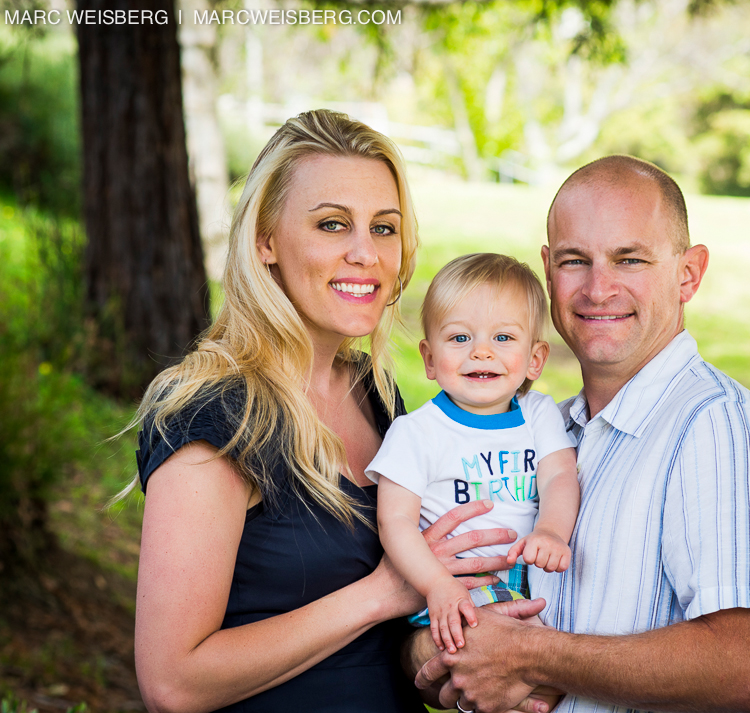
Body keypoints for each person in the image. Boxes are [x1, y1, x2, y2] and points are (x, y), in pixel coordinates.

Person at [127, 109, 526, 713]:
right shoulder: (212, 416)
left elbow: (378, 644)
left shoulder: (376, 394)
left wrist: (448, 656)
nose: (366, 253)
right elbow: (173, 684)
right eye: (333, 224)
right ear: (266, 241)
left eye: (384, 228)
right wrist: (385, 591)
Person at [411, 155, 750, 713]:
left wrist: (531, 657)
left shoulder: (717, 426)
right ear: (548, 271)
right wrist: (447, 649)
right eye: (576, 261)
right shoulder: (538, 429)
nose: (599, 289)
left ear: (688, 273)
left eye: (630, 259)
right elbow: (440, 634)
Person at [366, 253, 580, 654]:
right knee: (526, 653)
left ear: (535, 360)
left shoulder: (538, 415)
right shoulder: (416, 433)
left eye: (503, 338)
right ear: (430, 359)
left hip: (528, 577)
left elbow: (559, 476)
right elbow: (394, 521)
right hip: (455, 585)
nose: (481, 352)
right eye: (460, 338)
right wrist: (437, 584)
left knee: (553, 657)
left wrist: (551, 530)